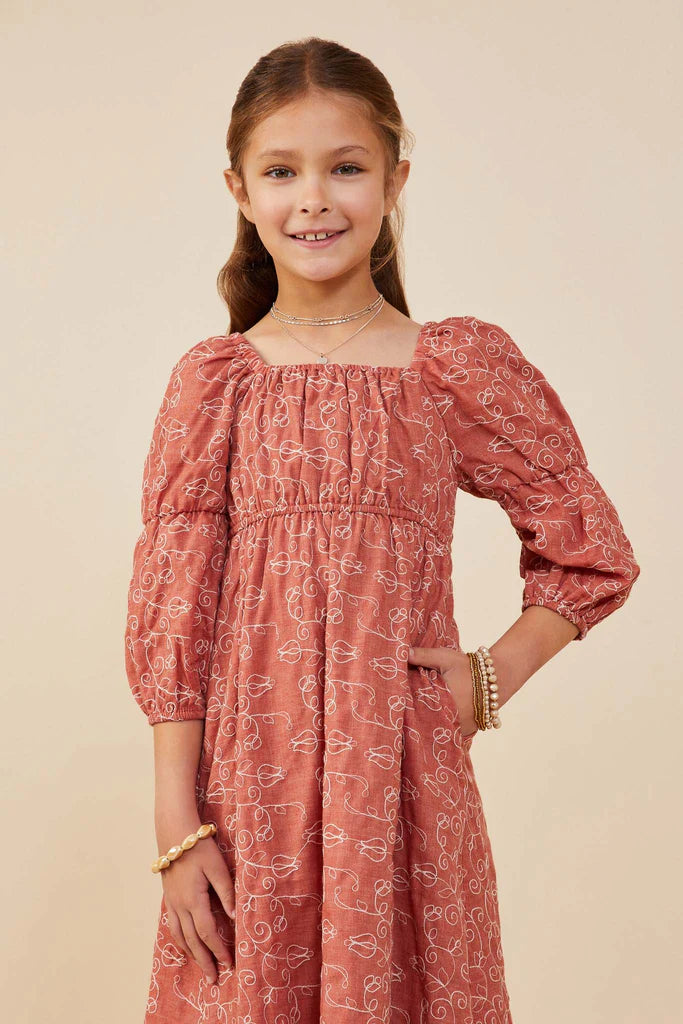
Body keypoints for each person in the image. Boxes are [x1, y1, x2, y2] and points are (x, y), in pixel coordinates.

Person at [123, 35, 640, 1024]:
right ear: (239, 190)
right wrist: (177, 824)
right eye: (282, 171)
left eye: (346, 167)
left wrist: (489, 677)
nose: (313, 199)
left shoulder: (450, 367)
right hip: (250, 790)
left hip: (401, 783)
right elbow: (174, 613)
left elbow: (589, 550)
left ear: (395, 179)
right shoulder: (215, 384)